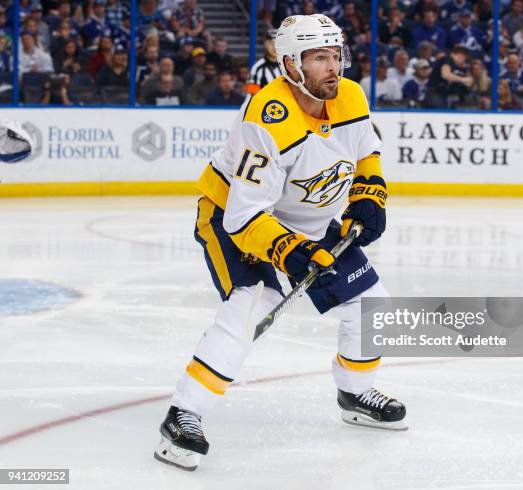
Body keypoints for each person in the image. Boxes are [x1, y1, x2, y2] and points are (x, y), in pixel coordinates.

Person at [154, 13, 407, 472]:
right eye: (318, 58)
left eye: (335, 56)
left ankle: (353, 392)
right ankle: (183, 414)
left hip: (307, 217)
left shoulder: (349, 95)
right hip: (234, 215)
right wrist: (291, 251)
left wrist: (370, 191)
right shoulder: (266, 120)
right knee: (253, 298)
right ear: (291, 65)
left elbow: (366, 150)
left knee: (374, 306)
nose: (332, 67)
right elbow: (245, 215)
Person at [246, 29, 281, 96]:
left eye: (277, 43)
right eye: (271, 43)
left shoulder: (288, 67)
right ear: (266, 44)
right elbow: (251, 96)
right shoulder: (257, 68)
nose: (274, 47)